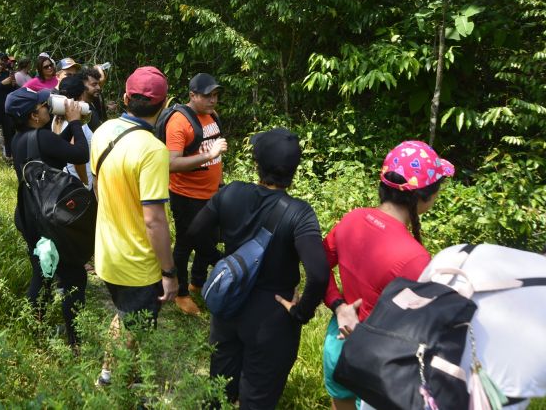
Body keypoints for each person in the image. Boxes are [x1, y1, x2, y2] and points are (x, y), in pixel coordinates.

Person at [187, 128, 329, 409]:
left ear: (257, 164)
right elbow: (319, 274)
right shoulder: (299, 213)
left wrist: (218, 259)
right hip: (272, 315)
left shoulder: (231, 192)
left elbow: (194, 233)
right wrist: (301, 313)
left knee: (219, 388)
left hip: (229, 303)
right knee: (258, 397)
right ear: (294, 170)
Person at [321, 140, 454, 410]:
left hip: (337, 343)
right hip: (376, 361)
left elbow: (318, 265)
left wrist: (338, 305)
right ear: (423, 196)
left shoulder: (352, 218)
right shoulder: (415, 258)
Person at [90, 66, 178, 387]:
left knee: (126, 315)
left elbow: (98, 187)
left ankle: (120, 375)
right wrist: (169, 273)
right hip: (138, 263)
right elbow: (154, 219)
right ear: (165, 104)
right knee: (133, 322)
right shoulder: (153, 151)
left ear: (126, 97)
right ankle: (111, 380)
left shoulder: (103, 131)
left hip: (107, 250)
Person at [7, 87, 89, 347]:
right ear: (34, 115)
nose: (48, 108)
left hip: (31, 217)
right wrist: (75, 124)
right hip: (54, 220)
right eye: (44, 106)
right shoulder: (42, 138)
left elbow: (52, 148)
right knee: (74, 277)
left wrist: (67, 127)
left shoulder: (20, 138)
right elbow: (80, 154)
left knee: (42, 273)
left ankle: (35, 330)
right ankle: (75, 342)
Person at [167, 73, 227, 315]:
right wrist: (209, 156)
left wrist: (220, 183)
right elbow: (171, 163)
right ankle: (180, 293)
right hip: (186, 196)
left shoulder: (212, 116)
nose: (213, 100)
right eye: (206, 96)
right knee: (185, 243)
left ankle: (197, 283)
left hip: (212, 193)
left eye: (215, 95)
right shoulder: (179, 122)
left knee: (211, 237)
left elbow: (216, 155)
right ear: (192, 95)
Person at [53, 75, 94, 189]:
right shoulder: (76, 123)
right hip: (79, 180)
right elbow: (77, 158)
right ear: (82, 95)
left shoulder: (58, 117)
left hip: (64, 176)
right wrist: (85, 182)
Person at [78, 66, 104, 132]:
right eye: (94, 84)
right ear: (82, 85)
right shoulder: (80, 109)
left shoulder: (94, 101)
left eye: (98, 84)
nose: (98, 87)